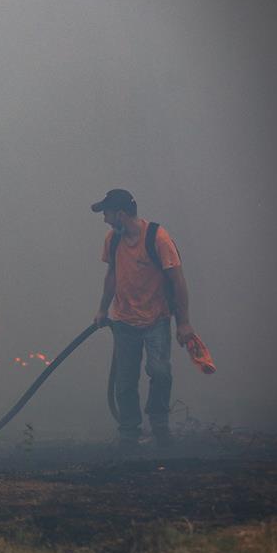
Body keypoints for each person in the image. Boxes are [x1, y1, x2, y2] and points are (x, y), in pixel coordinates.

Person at [91, 189, 197, 449]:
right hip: (124, 321)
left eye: (107, 213)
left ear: (121, 214)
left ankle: (159, 425)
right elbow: (112, 276)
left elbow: (178, 281)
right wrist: (103, 309)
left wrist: (183, 322)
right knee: (125, 380)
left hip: (156, 319)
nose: (104, 219)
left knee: (160, 371)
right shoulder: (113, 240)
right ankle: (129, 433)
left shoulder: (157, 238)